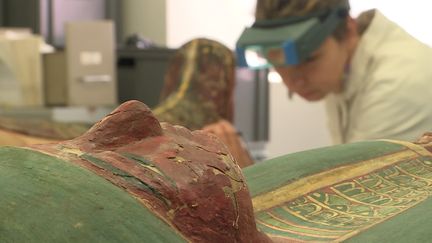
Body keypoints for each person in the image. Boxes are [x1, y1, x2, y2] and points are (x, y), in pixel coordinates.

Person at [236, 0, 432, 144]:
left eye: (309, 59)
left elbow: (358, 191)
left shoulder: (395, 83)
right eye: (277, 61)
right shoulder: (340, 67)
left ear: (348, 28)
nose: (294, 82)